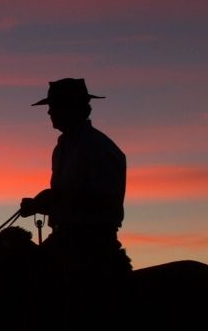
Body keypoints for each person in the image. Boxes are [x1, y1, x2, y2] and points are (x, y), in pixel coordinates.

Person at [20, 77, 130, 288]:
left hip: (90, 245)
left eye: (54, 107)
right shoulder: (62, 148)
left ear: (71, 108)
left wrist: (49, 200)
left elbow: (101, 199)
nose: (49, 112)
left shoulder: (98, 147)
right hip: (65, 239)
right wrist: (42, 203)